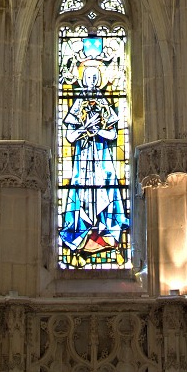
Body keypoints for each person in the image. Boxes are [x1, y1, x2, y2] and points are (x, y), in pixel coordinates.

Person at [60, 62, 128, 261]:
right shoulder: (78, 104)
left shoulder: (104, 104)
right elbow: (70, 137)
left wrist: (97, 130)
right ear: (83, 79)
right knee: (81, 194)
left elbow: (113, 133)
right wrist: (84, 128)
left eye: (94, 77)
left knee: (106, 192)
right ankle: (79, 242)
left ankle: (109, 239)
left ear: (99, 79)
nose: (91, 82)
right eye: (88, 77)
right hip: (83, 158)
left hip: (102, 156)